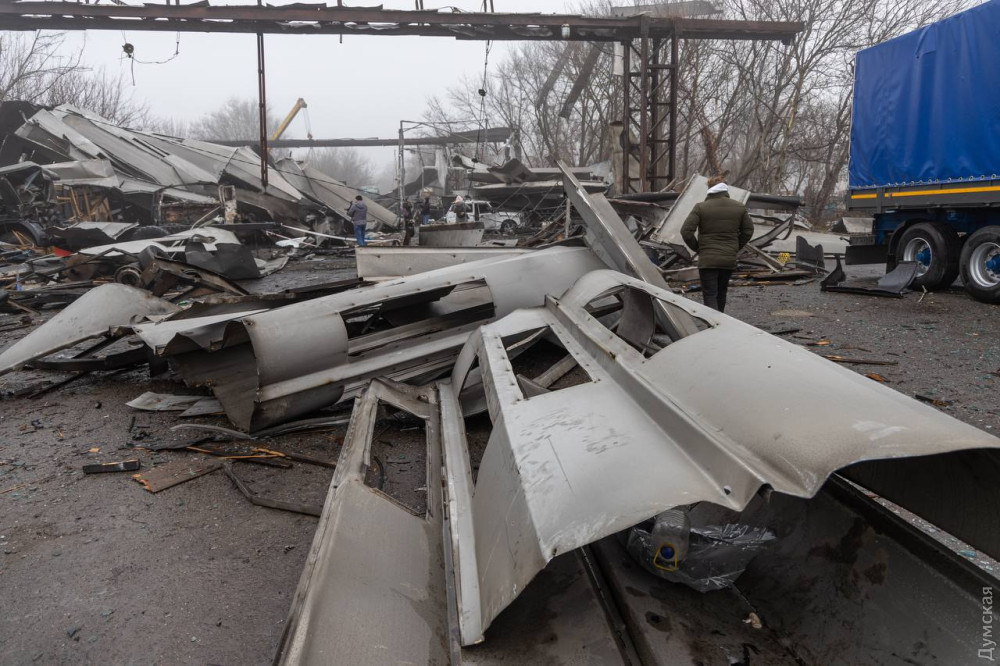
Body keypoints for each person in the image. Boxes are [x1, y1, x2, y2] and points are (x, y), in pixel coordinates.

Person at [680, 181, 753, 313]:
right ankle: (720, 319)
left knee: (710, 294)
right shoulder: (739, 207)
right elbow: (748, 231)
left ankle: (713, 322)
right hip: (728, 259)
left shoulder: (700, 207)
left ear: (710, 189)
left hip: (707, 260)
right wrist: (735, 247)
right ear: (726, 191)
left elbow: (686, 232)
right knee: (721, 292)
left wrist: (698, 248)